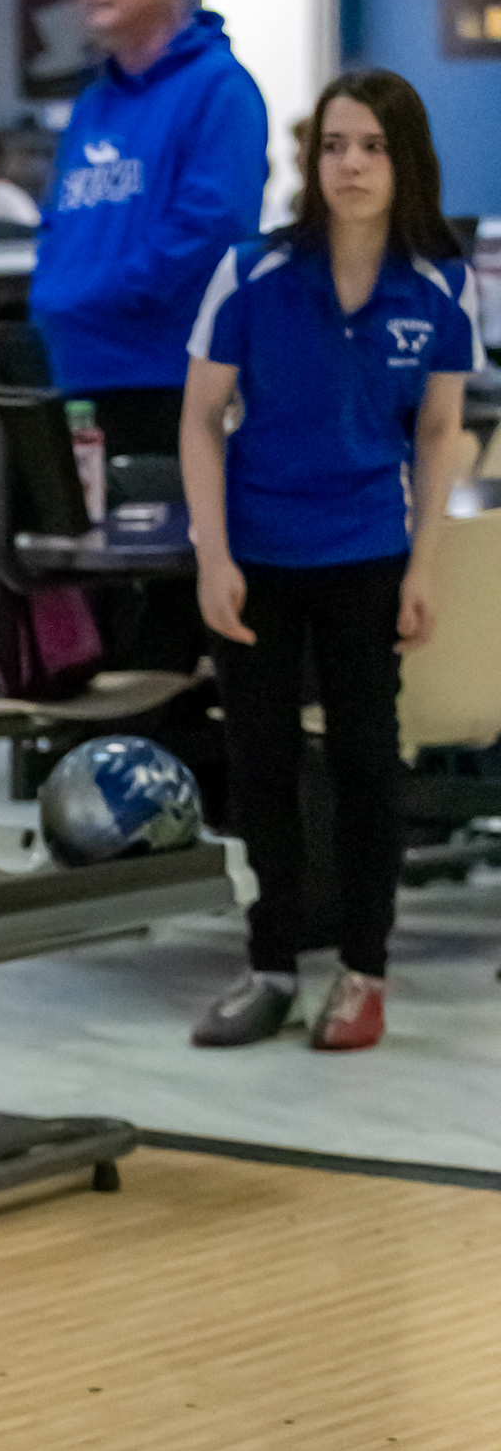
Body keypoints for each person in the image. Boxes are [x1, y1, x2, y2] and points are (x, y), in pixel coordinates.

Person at [182, 70, 478, 1055]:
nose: (350, 165)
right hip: (258, 556)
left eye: (374, 148)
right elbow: (200, 417)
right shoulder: (251, 272)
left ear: (407, 163)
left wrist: (423, 567)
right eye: (334, 146)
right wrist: (212, 553)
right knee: (261, 764)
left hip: (368, 553)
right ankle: (270, 965)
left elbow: (438, 431)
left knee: (364, 767)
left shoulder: (441, 283)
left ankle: (364, 971)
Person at [31, 0, 268, 463]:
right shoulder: (94, 102)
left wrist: (102, 294)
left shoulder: (219, 88)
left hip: (166, 373)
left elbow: (212, 226)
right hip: (75, 368)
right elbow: (62, 218)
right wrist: (53, 288)